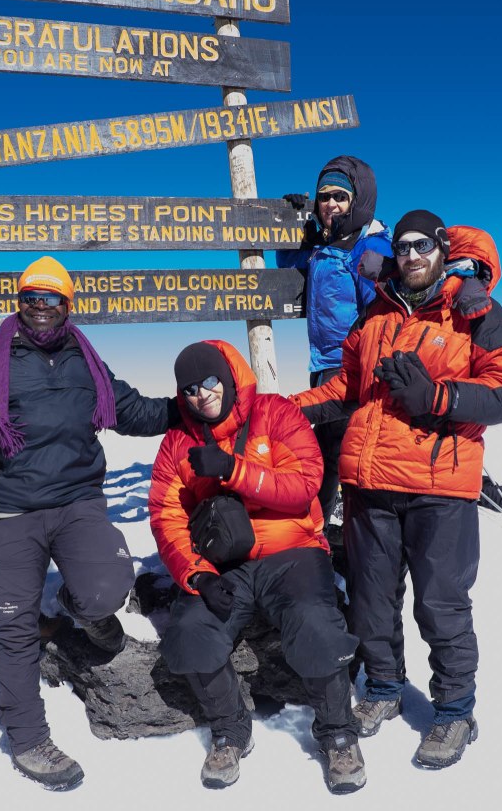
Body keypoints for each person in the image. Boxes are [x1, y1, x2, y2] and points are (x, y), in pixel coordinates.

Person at [0, 255, 176, 791]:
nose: (41, 307)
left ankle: (84, 610)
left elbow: (136, 411)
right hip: (9, 510)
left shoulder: (86, 362)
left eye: (52, 298)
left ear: (68, 305)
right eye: (31, 297)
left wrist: (194, 406)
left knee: (107, 588)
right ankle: (27, 739)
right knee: (13, 626)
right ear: (19, 303)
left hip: (77, 502)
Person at [290, 212, 502, 769]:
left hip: (438, 487)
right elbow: (348, 386)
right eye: (403, 247)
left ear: (442, 249)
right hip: (371, 483)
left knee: (441, 605)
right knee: (371, 600)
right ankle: (383, 688)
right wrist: (280, 410)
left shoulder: (473, 310)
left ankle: (455, 711)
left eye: (422, 245)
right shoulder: (377, 312)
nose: (412, 255)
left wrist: (438, 398)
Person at [149, 340, 366, 794]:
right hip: (224, 564)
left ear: (229, 378)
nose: (202, 395)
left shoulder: (276, 413)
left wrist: (232, 469)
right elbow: (166, 516)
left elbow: (304, 484)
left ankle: (337, 733)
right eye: (190, 389)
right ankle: (230, 730)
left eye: (210, 381)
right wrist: (197, 574)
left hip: (293, 551)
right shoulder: (177, 443)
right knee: (189, 631)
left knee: (316, 624)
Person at [277, 156, 392, 531]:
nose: (330, 204)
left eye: (340, 196)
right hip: (323, 365)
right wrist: (295, 224)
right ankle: (325, 530)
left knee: (333, 452)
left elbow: (381, 313)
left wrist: (364, 365)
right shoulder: (326, 245)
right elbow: (288, 266)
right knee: (331, 451)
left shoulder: (368, 247)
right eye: (323, 197)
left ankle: (321, 531)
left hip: (352, 368)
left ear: (358, 200)